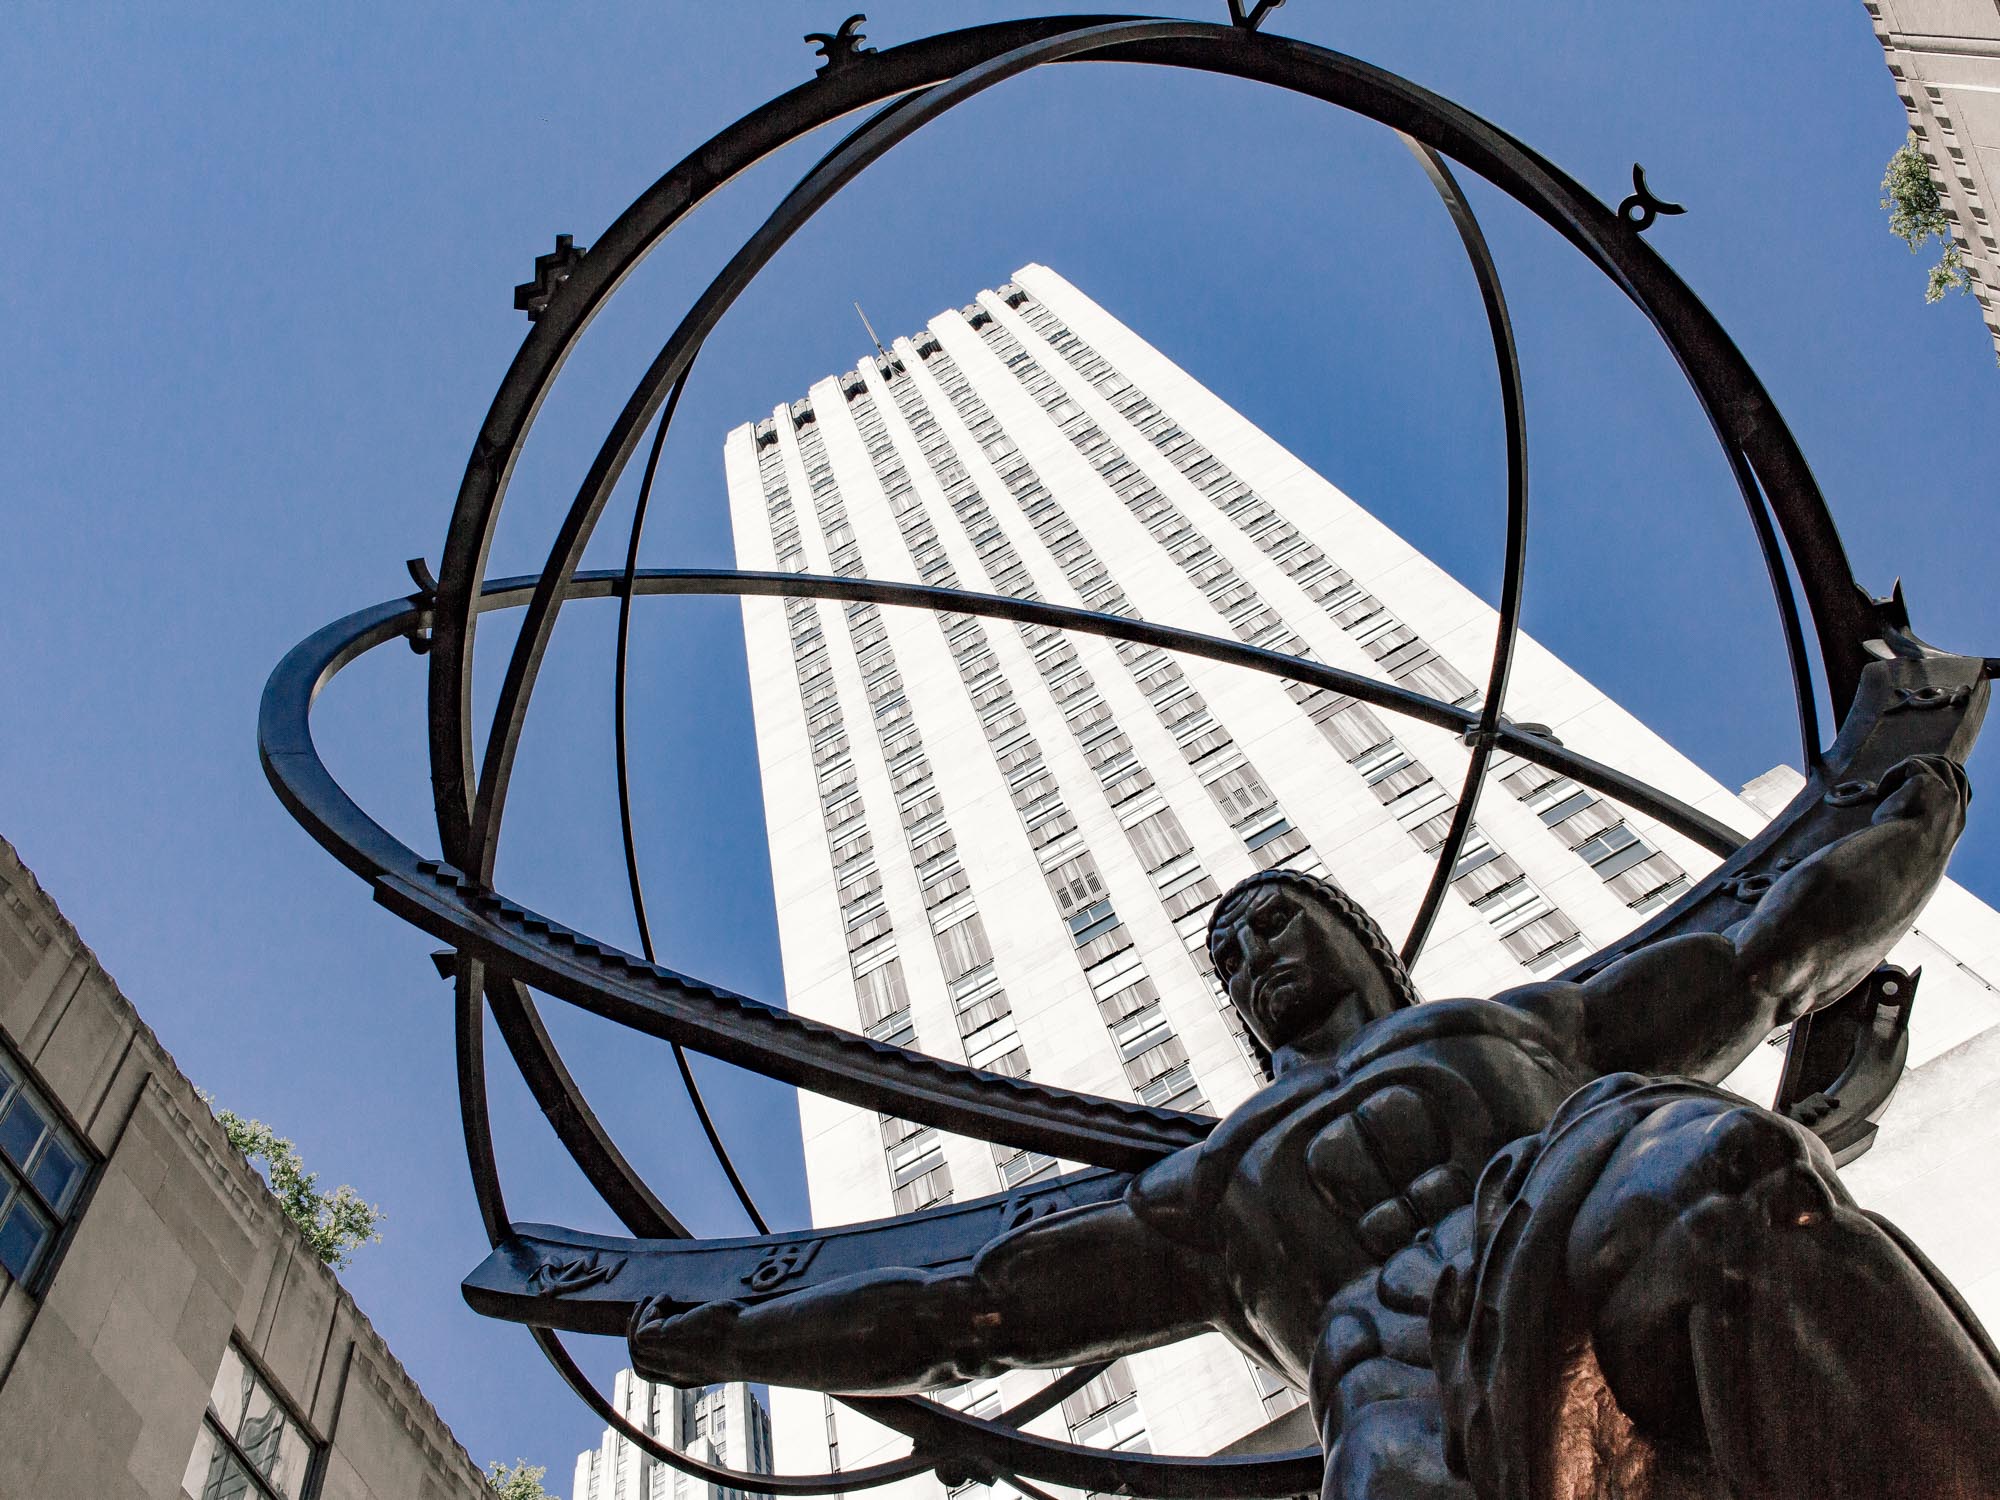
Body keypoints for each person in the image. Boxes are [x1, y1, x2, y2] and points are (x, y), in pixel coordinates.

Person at [629, 753, 1999, 1499]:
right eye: (1228, 958)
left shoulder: (1526, 1030)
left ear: (1357, 931)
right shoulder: (1210, 1191)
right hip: (1399, 1407)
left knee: (1723, 1184)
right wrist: (738, 1339)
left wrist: (1911, 815)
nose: (1253, 954)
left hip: (1584, 1252)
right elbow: (967, 1310)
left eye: (1277, 922)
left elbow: (1768, 954)